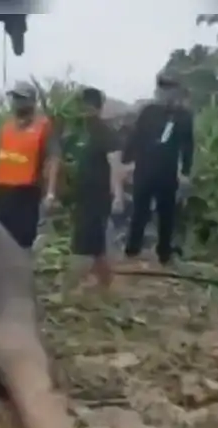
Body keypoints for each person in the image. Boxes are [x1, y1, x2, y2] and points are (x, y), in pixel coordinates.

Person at [121, 73, 195, 266]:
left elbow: (188, 146)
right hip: (144, 169)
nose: (165, 93)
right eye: (162, 89)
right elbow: (135, 136)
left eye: (169, 89)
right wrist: (125, 160)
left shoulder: (184, 117)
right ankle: (132, 250)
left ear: (176, 91)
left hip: (167, 172)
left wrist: (185, 172)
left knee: (166, 214)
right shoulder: (148, 112)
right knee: (140, 211)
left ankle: (164, 253)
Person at [0, 80, 61, 251]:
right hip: (1, 191)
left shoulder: (43, 126)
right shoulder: (7, 126)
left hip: (26, 192)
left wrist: (50, 193)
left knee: (23, 243)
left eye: (21, 98)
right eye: (15, 98)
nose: (17, 102)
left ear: (31, 101)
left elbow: (54, 159)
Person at [69, 87, 126, 291]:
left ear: (95, 107)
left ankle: (93, 282)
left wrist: (117, 195)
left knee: (92, 242)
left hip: (98, 196)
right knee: (92, 243)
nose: (83, 110)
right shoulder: (80, 132)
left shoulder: (105, 133)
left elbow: (115, 165)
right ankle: (102, 282)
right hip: (82, 196)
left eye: (86, 105)